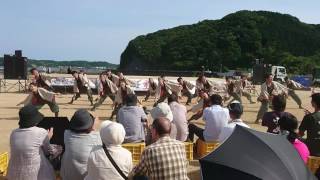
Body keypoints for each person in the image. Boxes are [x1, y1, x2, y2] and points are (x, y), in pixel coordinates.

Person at [7, 105, 56, 180]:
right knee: (56, 151)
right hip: (35, 175)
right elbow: (48, 151)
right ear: (35, 120)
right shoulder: (40, 132)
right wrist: (48, 138)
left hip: (13, 175)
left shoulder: (13, 133)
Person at [60, 109, 102, 180]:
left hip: (67, 176)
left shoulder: (66, 134)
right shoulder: (96, 137)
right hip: (85, 177)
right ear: (90, 126)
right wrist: (94, 126)